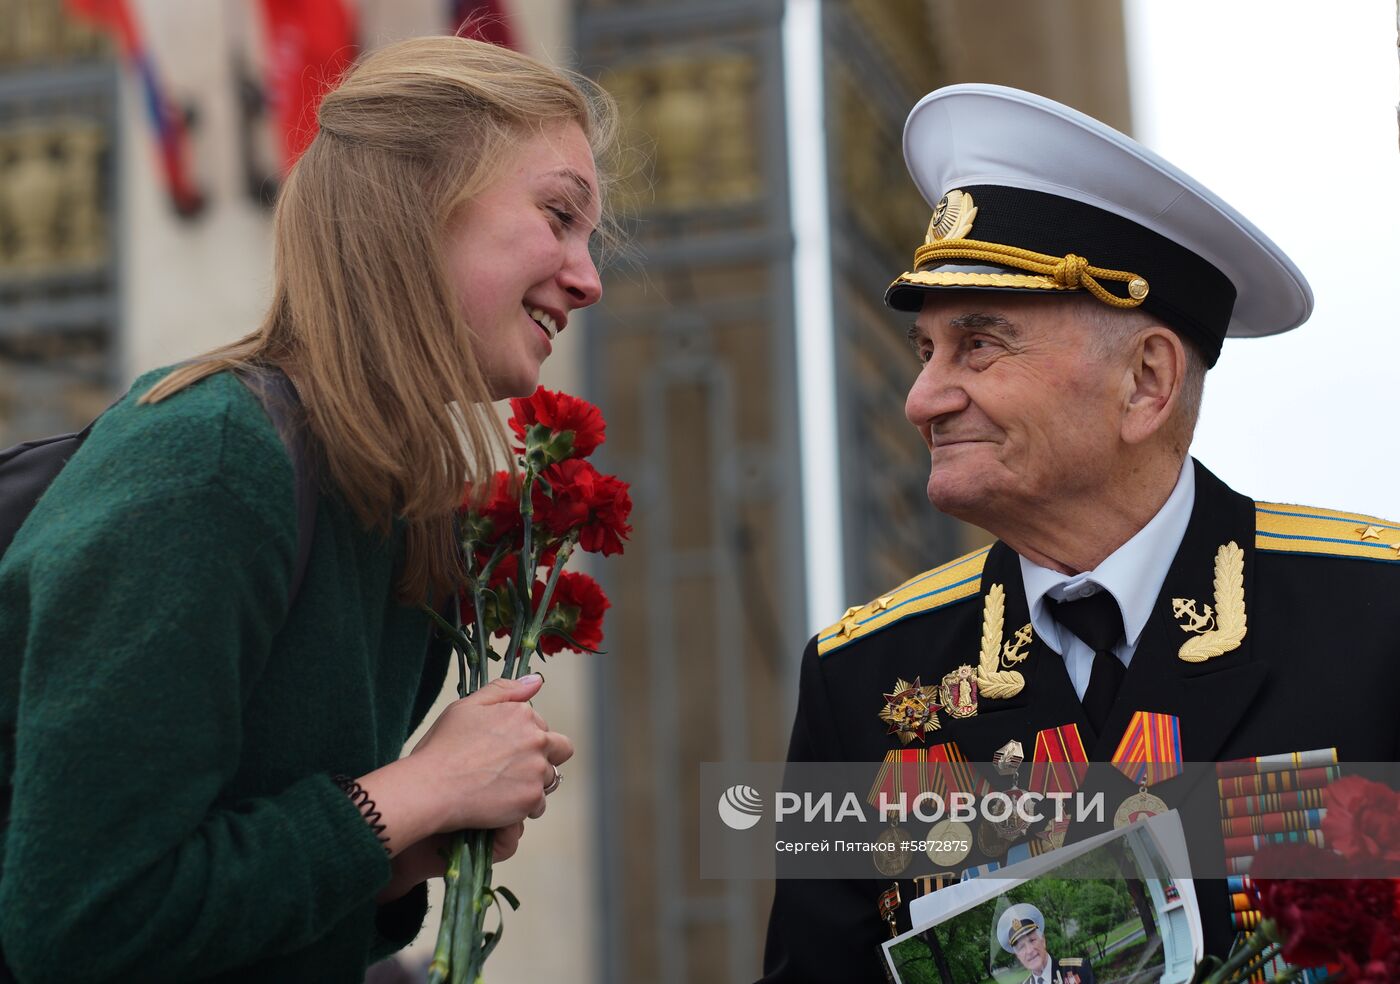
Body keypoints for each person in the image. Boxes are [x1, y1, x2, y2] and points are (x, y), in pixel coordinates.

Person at [0, 36, 612, 982]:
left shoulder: (403, 508)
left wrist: (396, 858)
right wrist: (408, 795)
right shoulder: (207, 463)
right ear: (416, 209)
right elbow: (82, 925)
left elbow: (225, 908)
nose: (588, 278)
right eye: (559, 215)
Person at [761, 83, 1400, 981]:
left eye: (978, 345)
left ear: (1146, 381)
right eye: (926, 353)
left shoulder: (1374, 616)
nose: (922, 400)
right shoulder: (864, 675)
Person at [996, 904, 1094, 984]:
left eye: (1032, 940)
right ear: (1018, 955)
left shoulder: (1078, 969)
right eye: (1021, 947)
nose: (1029, 950)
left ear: (1043, 940)